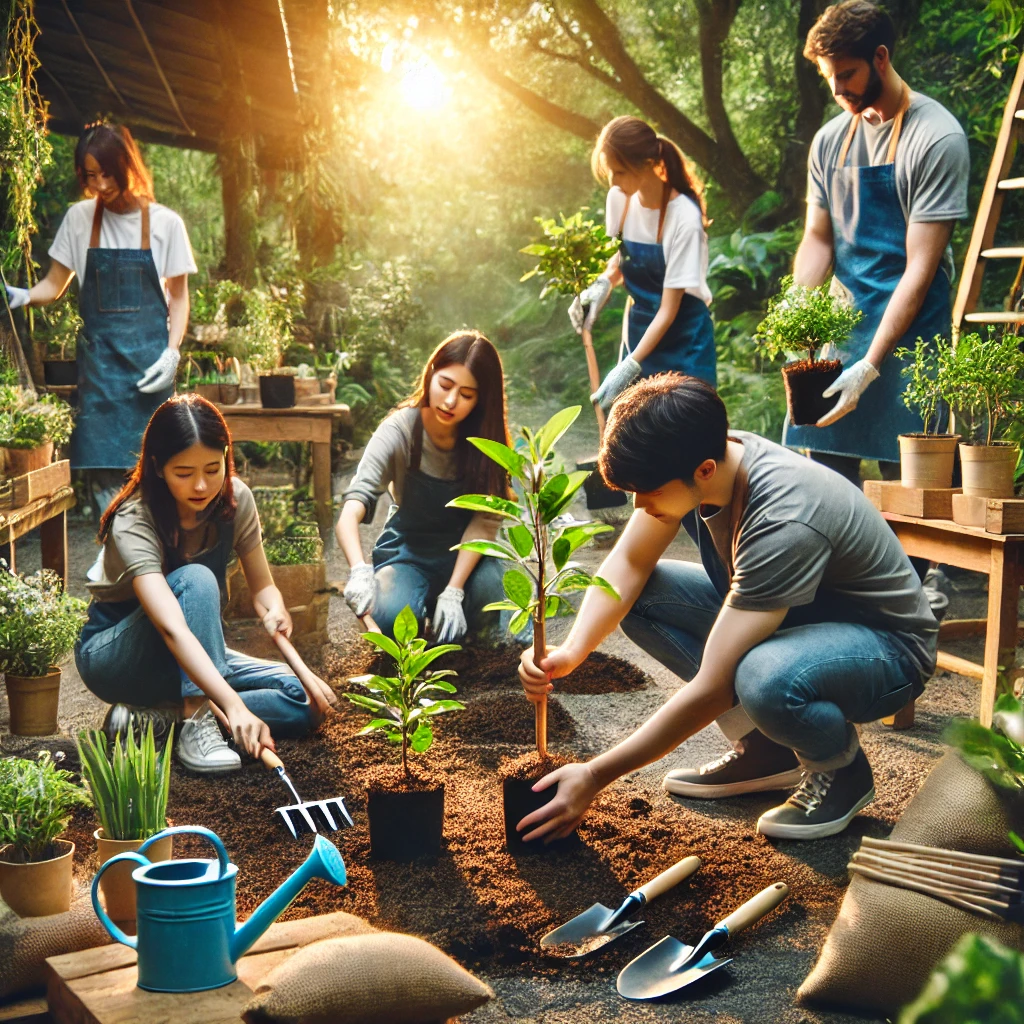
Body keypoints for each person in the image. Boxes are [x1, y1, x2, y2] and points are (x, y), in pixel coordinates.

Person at [515, 375, 937, 844]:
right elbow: (629, 564)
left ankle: (841, 771)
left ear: (704, 470)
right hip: (799, 620)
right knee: (639, 598)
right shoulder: (703, 458)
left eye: (647, 491)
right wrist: (573, 651)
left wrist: (594, 775)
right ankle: (767, 751)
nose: (639, 504)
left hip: (885, 650)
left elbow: (714, 687)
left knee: (762, 677)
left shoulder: (782, 518)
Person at [75, 395, 333, 774]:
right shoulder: (134, 518)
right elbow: (172, 626)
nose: (201, 485)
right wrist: (232, 705)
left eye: (213, 469)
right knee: (197, 579)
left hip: (188, 653)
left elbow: (263, 587)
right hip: (118, 656)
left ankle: (155, 719)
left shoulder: (235, 500)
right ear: (157, 467)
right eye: (184, 473)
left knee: (304, 698)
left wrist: (274, 606)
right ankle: (196, 722)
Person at [786, 1, 969, 485]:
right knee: (825, 484)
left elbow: (920, 267)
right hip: (842, 328)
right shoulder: (829, 141)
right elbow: (818, 241)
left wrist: (870, 366)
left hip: (913, 334)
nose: (836, 88)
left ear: (881, 58)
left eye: (846, 74)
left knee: (916, 490)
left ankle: (938, 567)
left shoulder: (935, 138)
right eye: (828, 76)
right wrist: (795, 313)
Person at [4, 122, 196, 514]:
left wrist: (171, 353)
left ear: (127, 167)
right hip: (101, 376)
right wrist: (22, 296)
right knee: (106, 481)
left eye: (108, 173)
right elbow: (55, 284)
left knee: (157, 474)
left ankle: (150, 563)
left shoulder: (164, 223)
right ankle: (118, 558)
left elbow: (178, 298)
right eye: (91, 175)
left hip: (150, 373)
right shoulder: (79, 219)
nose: (101, 185)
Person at [337, 330, 513, 642]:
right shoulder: (400, 430)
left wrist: (454, 591)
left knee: (493, 598)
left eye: (467, 395)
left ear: (481, 400)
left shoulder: (489, 444)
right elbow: (353, 505)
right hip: (409, 553)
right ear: (431, 373)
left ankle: (471, 639)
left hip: (468, 557)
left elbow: (483, 526)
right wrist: (359, 570)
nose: (450, 401)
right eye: (445, 385)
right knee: (389, 613)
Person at [571, 116, 715, 411]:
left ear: (648, 163)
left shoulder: (683, 218)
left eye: (620, 172)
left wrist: (629, 366)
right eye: (610, 171)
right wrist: (600, 286)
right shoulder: (619, 199)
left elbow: (669, 308)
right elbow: (619, 261)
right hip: (639, 328)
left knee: (683, 427)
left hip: (683, 337)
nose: (612, 182)